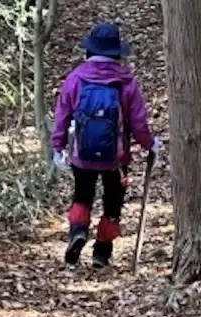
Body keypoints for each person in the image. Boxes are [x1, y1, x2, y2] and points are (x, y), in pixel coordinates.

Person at [51, 22, 161, 268]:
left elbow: (62, 115)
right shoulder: (125, 82)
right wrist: (150, 143)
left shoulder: (75, 79)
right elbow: (138, 121)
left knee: (82, 196)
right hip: (116, 158)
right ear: (116, 53)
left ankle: (78, 232)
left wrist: (57, 147)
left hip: (82, 155)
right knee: (113, 203)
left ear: (90, 51)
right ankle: (102, 252)